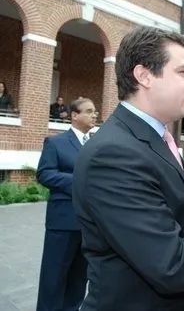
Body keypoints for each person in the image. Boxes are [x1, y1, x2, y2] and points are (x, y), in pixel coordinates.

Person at [72, 26, 184, 311]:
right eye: (183, 72)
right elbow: (171, 264)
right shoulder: (114, 154)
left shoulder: (152, 139)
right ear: (144, 76)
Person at [36, 98, 97, 311]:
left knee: (80, 278)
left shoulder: (96, 144)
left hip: (90, 224)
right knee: (53, 278)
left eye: (95, 111)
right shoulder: (56, 142)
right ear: (74, 115)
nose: (94, 115)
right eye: (89, 111)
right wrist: (78, 181)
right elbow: (44, 174)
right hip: (63, 222)